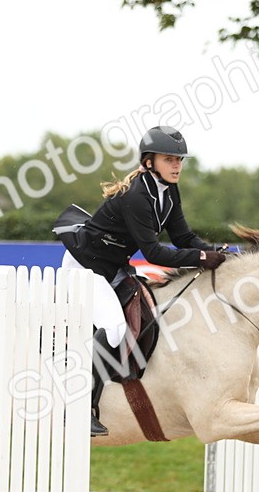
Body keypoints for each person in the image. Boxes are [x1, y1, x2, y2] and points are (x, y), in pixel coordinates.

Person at [54, 125, 226, 436]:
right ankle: (79, 408)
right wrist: (202, 258)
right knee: (115, 328)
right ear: (149, 161)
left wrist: (214, 252)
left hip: (112, 267)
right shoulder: (137, 196)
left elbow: (183, 237)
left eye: (179, 160)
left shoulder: (168, 192)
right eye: (169, 159)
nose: (177, 165)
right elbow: (154, 252)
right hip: (85, 266)